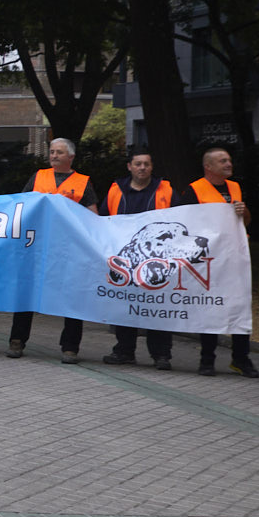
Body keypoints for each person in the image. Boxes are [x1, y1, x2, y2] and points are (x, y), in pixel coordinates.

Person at [7, 137, 98, 363]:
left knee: (72, 296)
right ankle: (16, 341)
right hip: (37, 247)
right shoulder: (38, 177)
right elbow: (22, 205)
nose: (54, 155)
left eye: (59, 152)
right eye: (51, 151)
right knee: (26, 293)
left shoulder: (83, 182)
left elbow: (93, 216)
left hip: (69, 249)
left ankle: (70, 347)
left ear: (71, 157)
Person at [180, 144, 259, 378]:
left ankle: (241, 358)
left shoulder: (235, 187)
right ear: (209, 166)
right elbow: (185, 223)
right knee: (209, 307)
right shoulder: (194, 190)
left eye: (229, 160)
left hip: (235, 258)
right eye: (223, 161)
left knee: (239, 305)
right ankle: (207, 359)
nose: (228, 164)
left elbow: (245, 222)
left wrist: (243, 212)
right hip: (210, 259)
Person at [100, 151, 176, 368]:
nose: (142, 168)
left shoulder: (166, 190)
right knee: (125, 308)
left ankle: (161, 355)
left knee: (157, 308)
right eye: (138, 164)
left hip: (158, 263)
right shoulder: (116, 190)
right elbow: (103, 219)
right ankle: (124, 351)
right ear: (129, 167)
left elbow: (181, 219)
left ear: (152, 167)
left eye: (146, 164)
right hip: (125, 261)